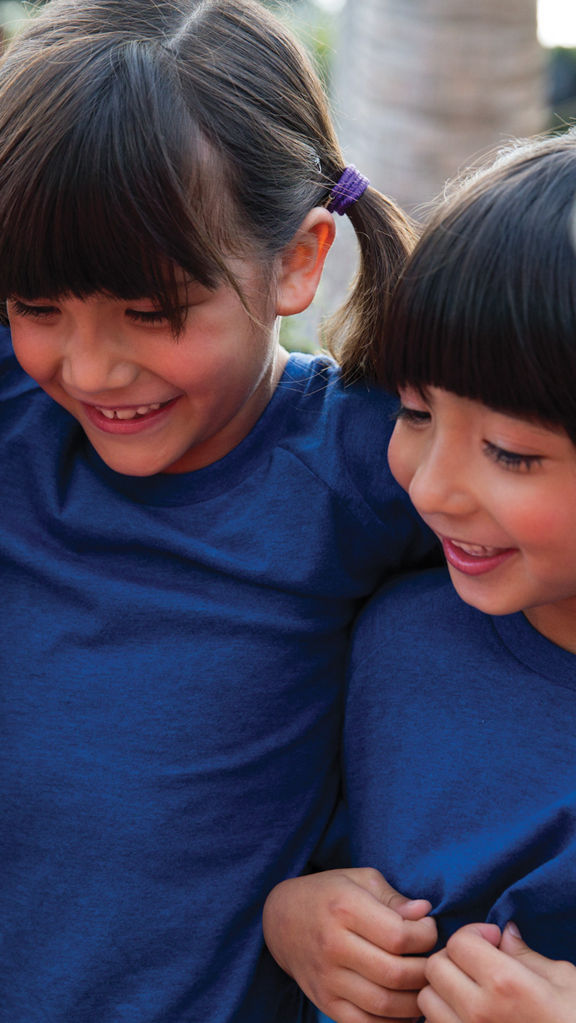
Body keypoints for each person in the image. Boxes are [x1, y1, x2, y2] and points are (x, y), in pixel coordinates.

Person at [0, 0, 439, 1020]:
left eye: (153, 315)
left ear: (296, 260)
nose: (91, 366)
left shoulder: (368, 462)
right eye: (35, 307)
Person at [263, 132, 576, 1023]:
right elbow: (320, 858)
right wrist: (295, 917)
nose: (431, 486)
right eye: (414, 411)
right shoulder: (396, 638)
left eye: (512, 454)